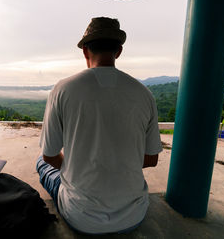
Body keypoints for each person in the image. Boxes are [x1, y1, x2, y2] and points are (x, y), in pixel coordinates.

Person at [36, 17, 162, 235]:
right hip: (134, 215)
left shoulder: (62, 89)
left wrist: (77, 165)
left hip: (81, 217)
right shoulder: (144, 94)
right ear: (119, 51)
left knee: (40, 162)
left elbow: (50, 156)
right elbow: (151, 159)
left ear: (85, 51)